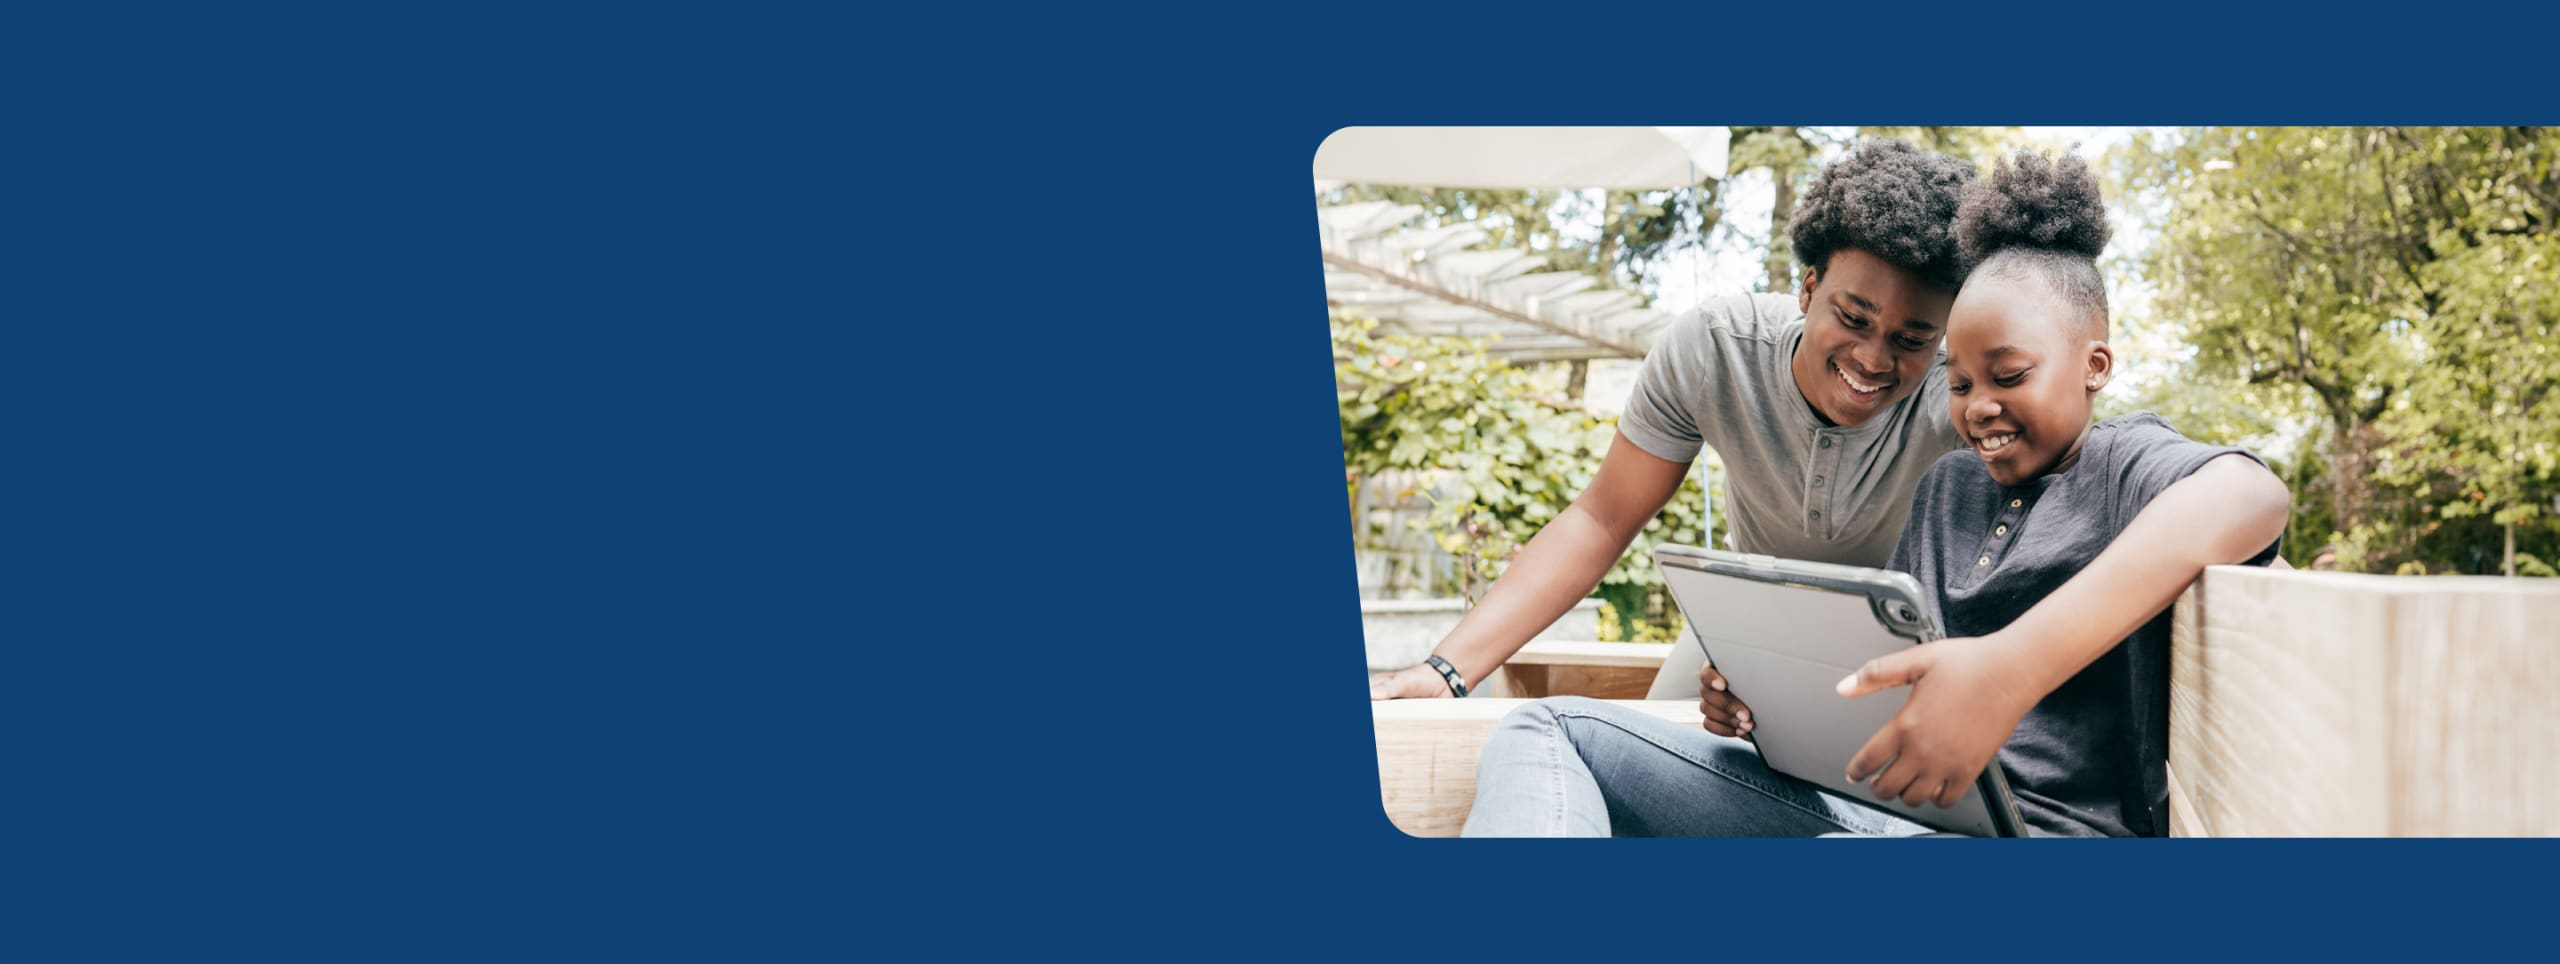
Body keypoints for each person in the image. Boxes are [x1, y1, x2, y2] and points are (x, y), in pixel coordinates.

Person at [1461, 149, 2291, 837]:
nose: (1976, 406)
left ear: (2095, 367)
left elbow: (2250, 494)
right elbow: (1883, 687)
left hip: (2031, 835)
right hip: (1882, 812)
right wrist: (1763, 702)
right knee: (1545, 727)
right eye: (1959, 383)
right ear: (1808, 289)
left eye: (2006, 376)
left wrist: (2008, 668)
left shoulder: (2118, 465)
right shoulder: (1948, 490)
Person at [1369, 138, 1979, 702]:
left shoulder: (1961, 393)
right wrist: (1445, 672)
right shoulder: (1715, 349)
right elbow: (1601, 520)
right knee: (1640, 774)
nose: (1874, 358)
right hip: (1749, 627)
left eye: (1912, 337)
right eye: (1852, 318)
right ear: (1809, 288)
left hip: (1901, 645)